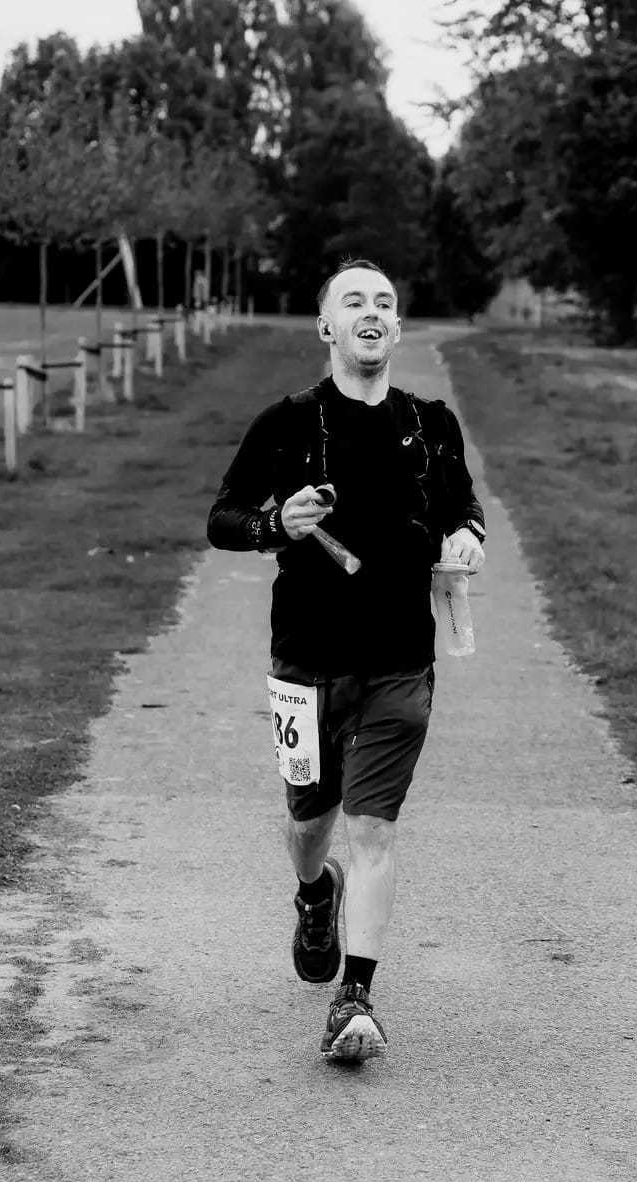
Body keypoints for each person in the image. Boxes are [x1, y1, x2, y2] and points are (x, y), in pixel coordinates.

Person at [206, 259, 486, 1062]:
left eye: (386, 304)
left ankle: (354, 998)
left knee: (374, 831)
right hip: (306, 663)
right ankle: (311, 891)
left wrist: (467, 534)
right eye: (354, 302)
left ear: (397, 330)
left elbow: (462, 508)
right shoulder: (287, 423)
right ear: (326, 326)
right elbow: (222, 518)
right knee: (309, 822)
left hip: (402, 662)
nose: (372, 313)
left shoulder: (432, 424)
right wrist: (275, 525)